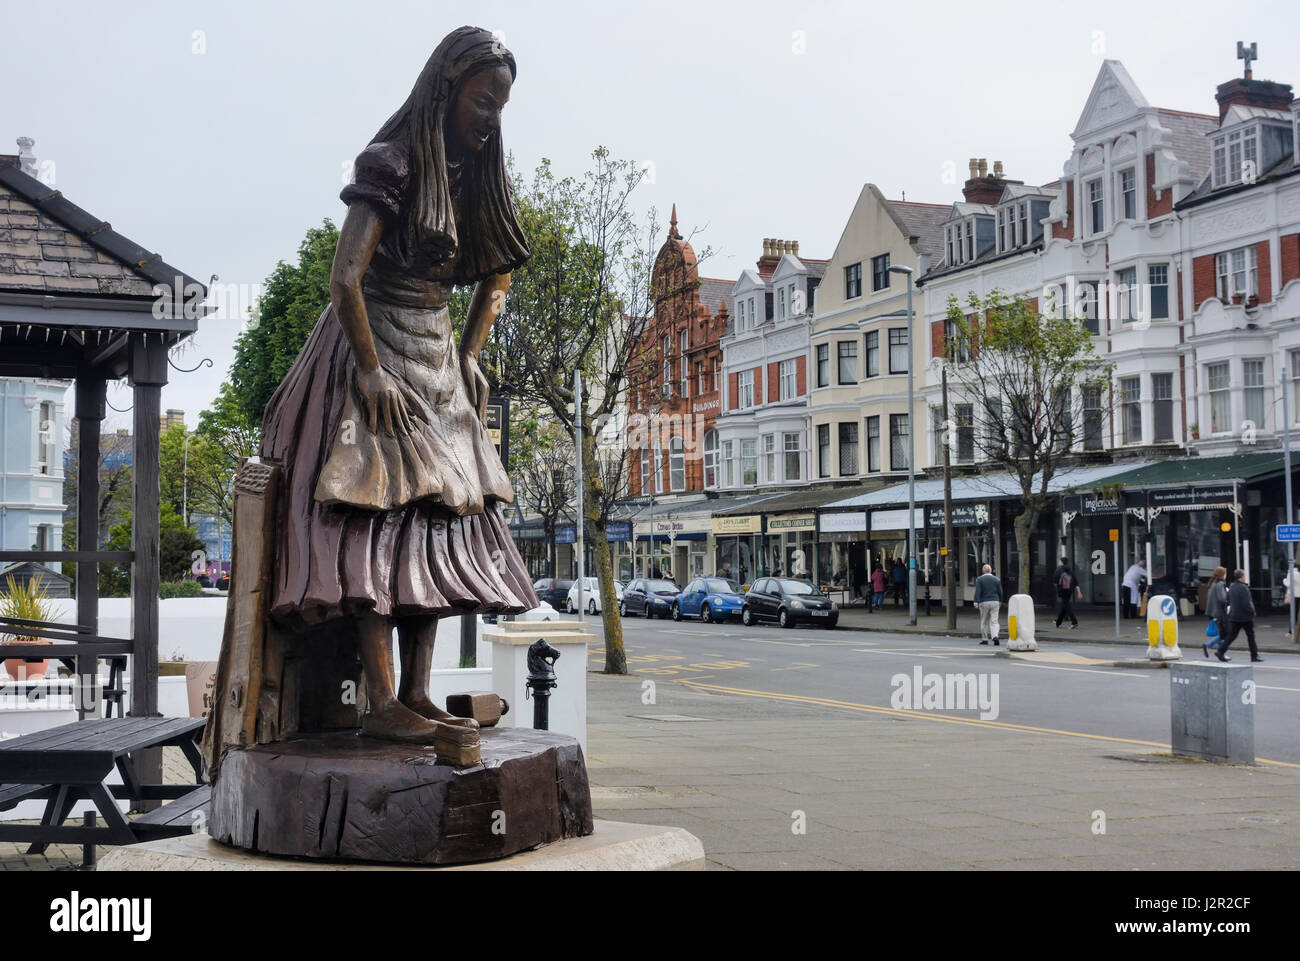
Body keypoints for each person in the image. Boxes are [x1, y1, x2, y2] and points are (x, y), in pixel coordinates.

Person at [217, 28, 536, 746]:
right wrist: (368, 369)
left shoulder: (476, 171)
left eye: (500, 107)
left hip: (439, 353)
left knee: (441, 517)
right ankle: (381, 697)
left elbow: (499, 275)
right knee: (375, 516)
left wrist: (474, 353)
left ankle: (420, 690)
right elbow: (344, 278)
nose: (490, 118)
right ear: (446, 89)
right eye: (482, 101)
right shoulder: (391, 163)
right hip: (376, 342)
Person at [1218, 568, 1261, 662]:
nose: (1245, 577)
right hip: (1245, 616)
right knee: (1250, 636)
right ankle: (1254, 656)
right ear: (1241, 577)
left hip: (1234, 615)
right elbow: (1247, 603)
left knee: (1232, 635)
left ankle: (1220, 651)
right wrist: (1252, 612)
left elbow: (1228, 599)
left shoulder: (1232, 587)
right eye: (1244, 576)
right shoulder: (1244, 588)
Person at [973, 563, 1003, 646]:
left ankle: (985, 639)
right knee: (994, 621)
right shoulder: (997, 579)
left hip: (984, 602)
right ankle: (995, 636)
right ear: (990, 570)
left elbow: (978, 591)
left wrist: (976, 602)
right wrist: (1000, 601)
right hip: (995, 602)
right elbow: (1000, 591)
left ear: (983, 571)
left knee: (984, 621)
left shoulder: (979, 579)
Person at [1202, 566, 1229, 658]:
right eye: (1225, 573)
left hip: (1212, 612)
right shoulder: (1220, 584)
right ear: (1223, 575)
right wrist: (1228, 596)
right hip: (1219, 613)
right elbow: (1222, 598)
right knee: (1223, 634)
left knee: (1221, 634)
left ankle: (1221, 654)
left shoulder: (1213, 584)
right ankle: (1208, 645)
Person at [1053, 557, 1082, 628]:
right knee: (1064, 605)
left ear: (1061, 562)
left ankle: (1074, 621)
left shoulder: (1058, 570)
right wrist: (1079, 592)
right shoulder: (1070, 570)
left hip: (1062, 590)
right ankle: (1058, 622)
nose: (1059, 562)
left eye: (1059, 561)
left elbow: (1055, 582)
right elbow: (1075, 582)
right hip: (1069, 590)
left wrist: (1057, 589)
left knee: (1066, 605)